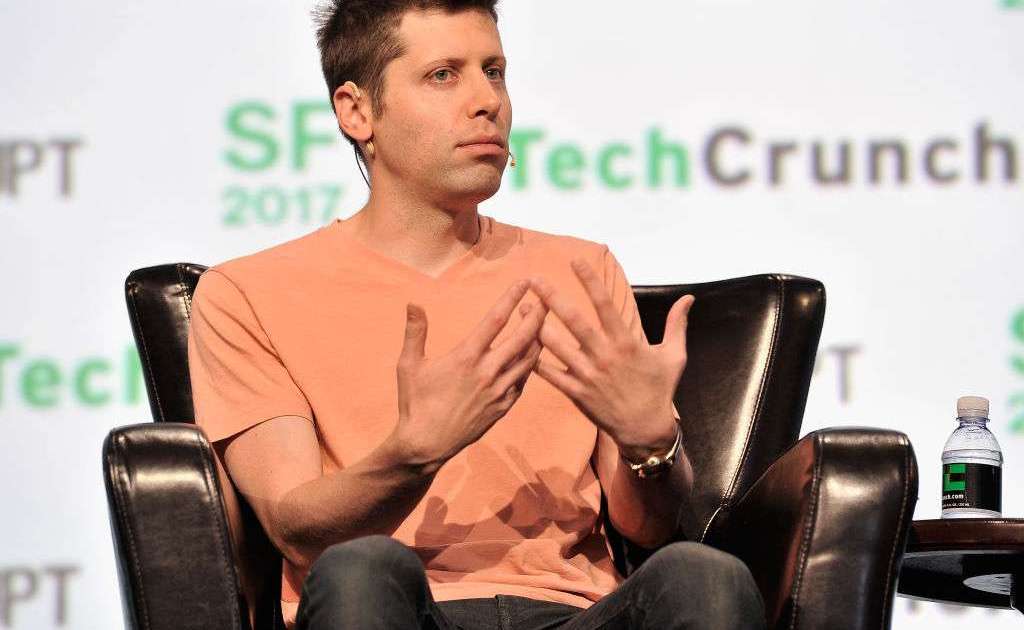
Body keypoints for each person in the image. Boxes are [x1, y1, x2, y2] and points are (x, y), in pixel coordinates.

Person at [186, 1, 766, 628]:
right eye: (443, 75)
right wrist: (413, 454)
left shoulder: (582, 271)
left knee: (705, 577)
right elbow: (295, 529)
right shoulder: (248, 293)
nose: (487, 101)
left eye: (494, 71)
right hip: (395, 610)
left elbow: (648, 526)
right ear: (356, 111)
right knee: (362, 570)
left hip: (571, 613)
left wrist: (651, 447)